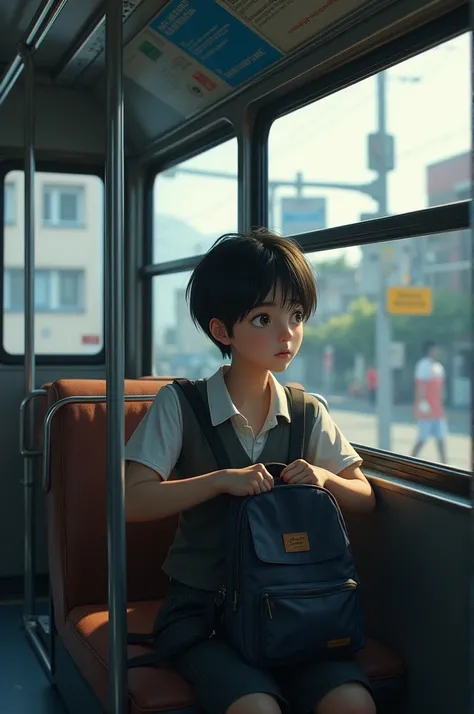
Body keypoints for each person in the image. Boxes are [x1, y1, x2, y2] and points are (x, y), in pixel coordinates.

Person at [125, 229, 376, 714]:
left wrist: (324, 480)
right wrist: (221, 480)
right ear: (223, 331)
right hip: (205, 614)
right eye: (265, 318)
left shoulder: (308, 412)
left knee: (353, 703)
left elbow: (364, 496)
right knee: (256, 709)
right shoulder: (180, 405)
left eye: (296, 316)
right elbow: (131, 502)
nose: (288, 335)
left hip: (298, 607)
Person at [411, 340, 447, 463]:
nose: (437, 352)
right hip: (426, 410)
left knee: (441, 438)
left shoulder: (439, 367)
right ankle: (411, 460)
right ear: (429, 350)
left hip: (438, 411)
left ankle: (445, 464)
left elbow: (440, 388)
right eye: (435, 349)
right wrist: (422, 403)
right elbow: (420, 386)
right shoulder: (423, 365)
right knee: (422, 439)